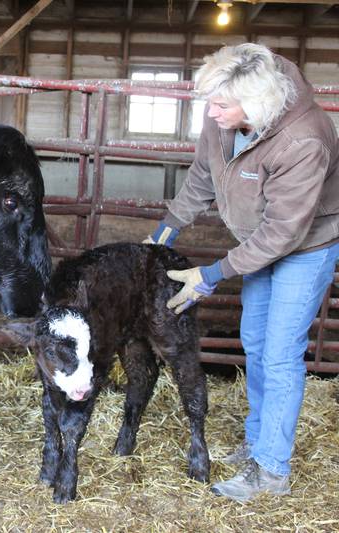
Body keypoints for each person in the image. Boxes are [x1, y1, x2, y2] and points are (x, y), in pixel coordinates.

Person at [145, 42, 339, 502]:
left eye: (220, 105)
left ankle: (271, 470)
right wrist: (166, 229)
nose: (210, 114)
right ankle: (257, 442)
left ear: (255, 105)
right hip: (259, 240)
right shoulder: (221, 119)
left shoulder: (303, 140)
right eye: (208, 102)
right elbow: (202, 175)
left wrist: (211, 274)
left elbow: (283, 234)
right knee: (255, 340)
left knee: (279, 352)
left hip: (306, 245)